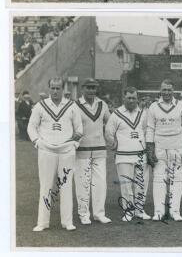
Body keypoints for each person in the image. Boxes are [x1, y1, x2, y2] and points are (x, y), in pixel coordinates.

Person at [27, 76, 83, 231]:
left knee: (65, 185)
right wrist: (37, 142)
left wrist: (74, 145)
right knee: (45, 186)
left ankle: (67, 222)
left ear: (63, 89)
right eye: (53, 88)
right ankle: (42, 222)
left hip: (66, 151)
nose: (55, 91)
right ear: (49, 88)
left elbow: (79, 130)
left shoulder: (72, 106)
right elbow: (31, 127)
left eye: (58, 88)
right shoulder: (40, 106)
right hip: (46, 150)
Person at [146, 79, 182, 221]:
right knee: (159, 179)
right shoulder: (153, 107)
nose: (166, 93)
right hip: (159, 147)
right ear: (160, 91)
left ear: (173, 91)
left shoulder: (181, 106)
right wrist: (149, 150)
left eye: (169, 90)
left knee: (177, 179)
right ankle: (158, 211)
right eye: (164, 90)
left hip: (176, 146)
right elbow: (150, 129)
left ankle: (174, 211)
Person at [105, 87, 151, 221]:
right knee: (126, 185)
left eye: (134, 98)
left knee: (141, 184)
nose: (131, 100)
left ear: (137, 99)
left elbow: (147, 131)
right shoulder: (116, 114)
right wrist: (114, 145)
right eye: (129, 98)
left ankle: (140, 210)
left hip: (141, 155)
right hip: (123, 156)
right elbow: (108, 133)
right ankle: (129, 211)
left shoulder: (143, 113)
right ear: (123, 98)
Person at [74, 78, 111, 225]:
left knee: (100, 183)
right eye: (88, 87)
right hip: (82, 151)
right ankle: (83, 214)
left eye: (93, 88)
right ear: (82, 89)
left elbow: (111, 123)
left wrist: (112, 139)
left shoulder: (103, 104)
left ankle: (99, 214)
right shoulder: (75, 106)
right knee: (83, 183)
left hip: (100, 150)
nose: (91, 90)